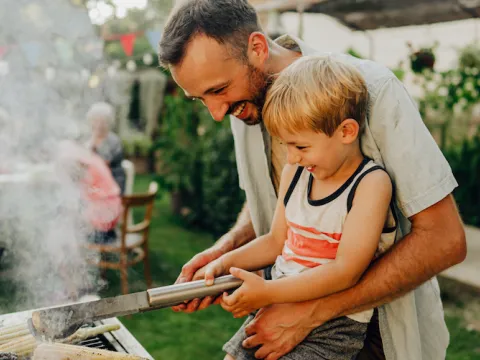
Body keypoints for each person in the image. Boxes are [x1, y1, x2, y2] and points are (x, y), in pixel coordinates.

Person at [158, 1, 467, 359]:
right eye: (200, 99)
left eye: (218, 90)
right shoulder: (242, 101)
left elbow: (444, 239)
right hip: (284, 308)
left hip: (374, 332)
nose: (215, 112)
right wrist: (225, 253)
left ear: (257, 48)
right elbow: (280, 200)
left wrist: (310, 313)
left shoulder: (373, 90)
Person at [205, 55, 397, 360]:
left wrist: (267, 292)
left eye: (301, 147)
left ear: (346, 132)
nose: (291, 158)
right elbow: (274, 241)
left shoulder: (370, 184)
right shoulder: (297, 172)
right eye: (285, 146)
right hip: (278, 301)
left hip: (332, 324)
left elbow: (345, 272)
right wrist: (225, 262)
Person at [85, 102, 126, 194]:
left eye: (103, 121)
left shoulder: (114, 141)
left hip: (111, 182)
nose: (99, 125)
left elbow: (109, 163)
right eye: (96, 120)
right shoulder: (86, 140)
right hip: (89, 184)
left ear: (109, 122)